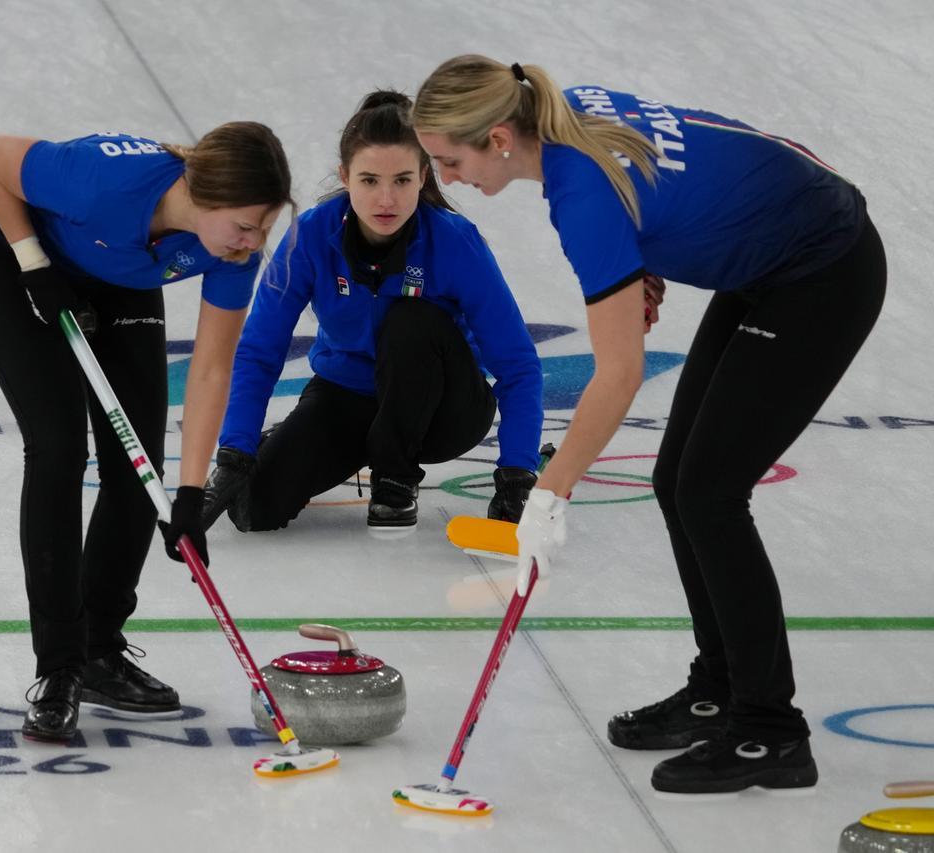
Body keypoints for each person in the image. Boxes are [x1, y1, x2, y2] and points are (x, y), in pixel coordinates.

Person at [412, 56, 885, 794]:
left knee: (710, 493)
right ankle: (720, 686)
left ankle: (770, 732)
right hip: (773, 255)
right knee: (678, 482)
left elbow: (620, 375)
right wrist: (647, 262)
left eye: (449, 160)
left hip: (821, 272)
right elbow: (687, 174)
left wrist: (549, 494)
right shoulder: (564, 112)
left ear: (500, 137)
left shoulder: (581, 196)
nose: (447, 178)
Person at [0, 122, 292, 742]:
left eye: (265, 228)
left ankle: (99, 647)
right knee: (58, 448)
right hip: (17, 259)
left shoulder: (228, 250)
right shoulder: (101, 182)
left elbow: (213, 365)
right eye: (246, 226)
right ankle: (59, 668)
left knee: (139, 467)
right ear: (202, 195)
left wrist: (192, 495)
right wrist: (34, 263)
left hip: (119, 279)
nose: (253, 243)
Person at [201, 91, 543, 537]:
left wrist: (517, 474)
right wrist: (236, 452)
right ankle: (348, 449)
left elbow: (517, 366)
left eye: (402, 180)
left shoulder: (455, 241)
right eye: (369, 181)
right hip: (350, 398)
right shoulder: (310, 236)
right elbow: (259, 352)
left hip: (442, 413)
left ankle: (395, 479)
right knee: (254, 510)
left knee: (410, 320)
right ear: (346, 177)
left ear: (424, 175)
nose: (386, 199)